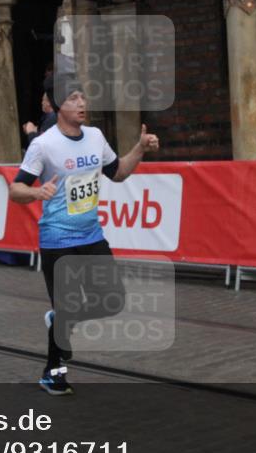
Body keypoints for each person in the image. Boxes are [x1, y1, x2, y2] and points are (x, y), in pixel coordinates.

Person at [9, 76, 160, 395]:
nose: (82, 104)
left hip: (91, 235)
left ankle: (59, 318)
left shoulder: (95, 136)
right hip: (57, 239)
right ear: (58, 105)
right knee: (66, 306)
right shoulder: (43, 144)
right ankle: (53, 374)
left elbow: (117, 173)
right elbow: (15, 188)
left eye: (83, 97)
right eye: (74, 99)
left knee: (112, 300)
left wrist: (140, 149)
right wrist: (37, 194)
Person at [23, 74, 58, 147]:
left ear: (49, 103)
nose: (41, 103)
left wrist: (30, 131)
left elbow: (40, 147)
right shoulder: (52, 117)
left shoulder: (52, 117)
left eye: (43, 100)